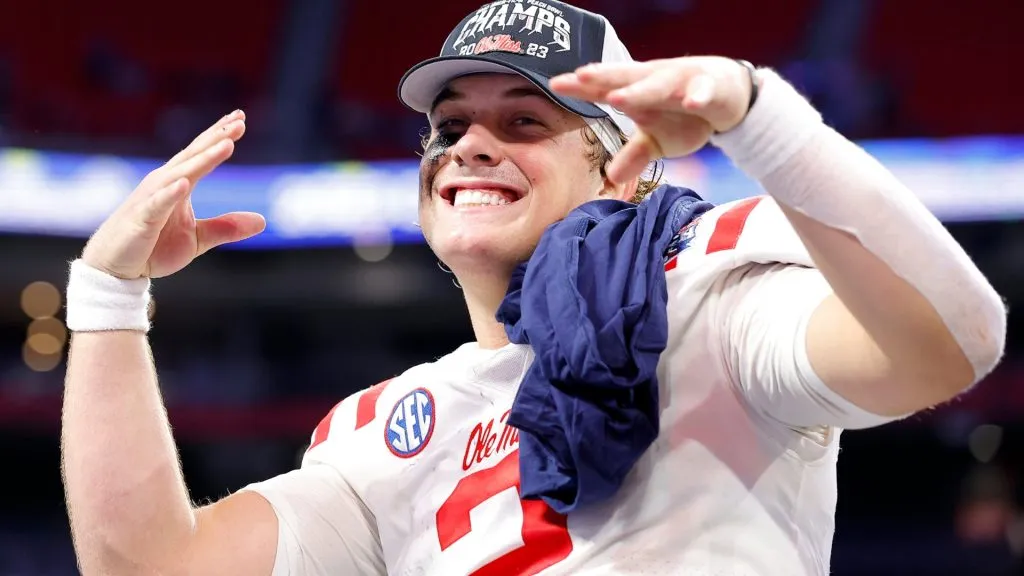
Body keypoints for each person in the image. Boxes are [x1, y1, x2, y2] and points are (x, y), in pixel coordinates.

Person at [60, 1, 1006, 575]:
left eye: (525, 120)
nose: (471, 143)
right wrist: (107, 294)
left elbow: (949, 340)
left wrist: (759, 119)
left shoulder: (703, 293)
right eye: (450, 125)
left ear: (624, 170)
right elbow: (150, 563)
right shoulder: (380, 428)